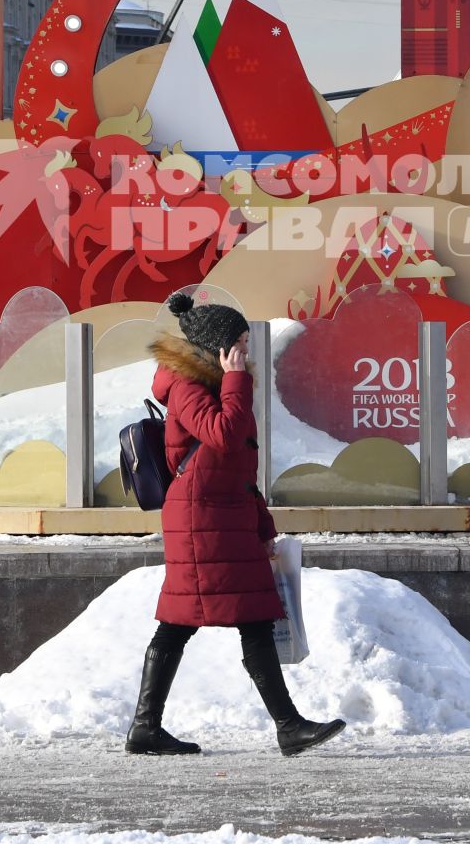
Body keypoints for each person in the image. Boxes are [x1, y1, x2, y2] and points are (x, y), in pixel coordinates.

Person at [125, 291, 346, 759]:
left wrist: (262, 525)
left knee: (232, 618)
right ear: (216, 348)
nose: (246, 352)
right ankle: (285, 726)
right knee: (194, 620)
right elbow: (223, 436)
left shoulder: (215, 385)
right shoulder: (188, 386)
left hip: (222, 514)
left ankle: (152, 728)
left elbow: (240, 470)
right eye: (240, 343)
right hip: (201, 516)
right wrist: (234, 380)